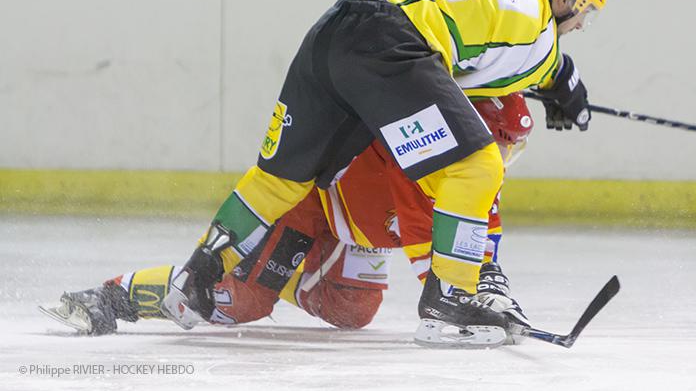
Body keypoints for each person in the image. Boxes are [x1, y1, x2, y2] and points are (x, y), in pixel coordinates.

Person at [158, 0, 609, 347]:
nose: (581, 25)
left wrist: (557, 81)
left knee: (278, 180)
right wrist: (564, 84)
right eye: (584, 12)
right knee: (477, 165)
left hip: (337, 25)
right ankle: (452, 297)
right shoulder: (537, 29)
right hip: (391, 45)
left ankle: (198, 273)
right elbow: (476, 85)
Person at [41, 94, 534, 345]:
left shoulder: (471, 172)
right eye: (498, 145)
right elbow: (443, 276)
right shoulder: (421, 161)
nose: (500, 161)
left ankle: (272, 273)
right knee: (240, 301)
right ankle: (111, 297)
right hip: (309, 203)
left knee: (352, 312)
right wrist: (473, 309)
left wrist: (495, 298)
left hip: (355, 226)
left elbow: (481, 259)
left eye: (510, 149)